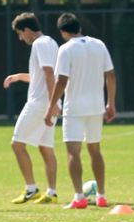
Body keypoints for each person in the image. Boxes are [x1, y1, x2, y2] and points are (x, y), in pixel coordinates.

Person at [44, 13, 116, 209]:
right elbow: (110, 74)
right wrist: (111, 103)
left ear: (63, 32)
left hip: (74, 108)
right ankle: (101, 195)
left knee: (73, 153)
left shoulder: (66, 49)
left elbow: (61, 81)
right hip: (96, 106)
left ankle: (79, 197)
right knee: (95, 150)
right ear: (79, 27)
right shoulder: (99, 44)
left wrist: (50, 108)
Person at [4, 12, 60, 204]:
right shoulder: (51, 42)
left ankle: (31, 188)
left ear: (27, 30)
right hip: (48, 102)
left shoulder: (39, 43)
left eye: (20, 34)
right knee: (46, 147)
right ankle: (51, 193)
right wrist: (20, 76)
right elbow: (43, 75)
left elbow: (49, 72)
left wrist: (52, 104)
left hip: (40, 104)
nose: (21, 38)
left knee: (17, 144)